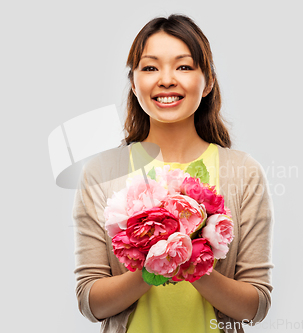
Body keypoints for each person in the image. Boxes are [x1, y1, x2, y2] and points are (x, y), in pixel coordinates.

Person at [73, 14, 274, 333]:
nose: (166, 79)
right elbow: (91, 302)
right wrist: (153, 264)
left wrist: (191, 259)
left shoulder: (243, 173)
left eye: (183, 66)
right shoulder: (102, 173)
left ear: (207, 81)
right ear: (134, 82)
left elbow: (255, 306)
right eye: (150, 67)